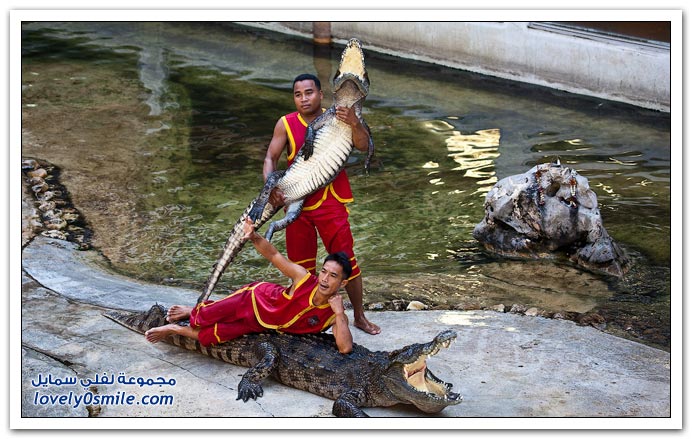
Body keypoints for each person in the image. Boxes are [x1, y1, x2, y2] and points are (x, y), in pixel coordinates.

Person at [263, 73, 380, 335]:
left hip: (331, 202)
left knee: (347, 261)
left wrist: (354, 122)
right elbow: (270, 158)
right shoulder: (285, 123)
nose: (304, 99)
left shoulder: (340, 115)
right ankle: (307, 318)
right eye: (298, 94)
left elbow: (363, 145)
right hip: (298, 206)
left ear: (320, 94)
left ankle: (359, 316)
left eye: (309, 92)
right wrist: (270, 187)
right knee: (300, 267)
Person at [144, 217, 354, 354]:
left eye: (332, 276)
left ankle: (173, 329)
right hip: (253, 300)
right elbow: (274, 255)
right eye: (323, 271)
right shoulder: (304, 279)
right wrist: (254, 236)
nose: (324, 279)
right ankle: (191, 311)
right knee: (201, 318)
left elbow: (344, 347)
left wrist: (338, 314)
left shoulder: (334, 313)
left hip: (261, 324)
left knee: (213, 336)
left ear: (342, 283)